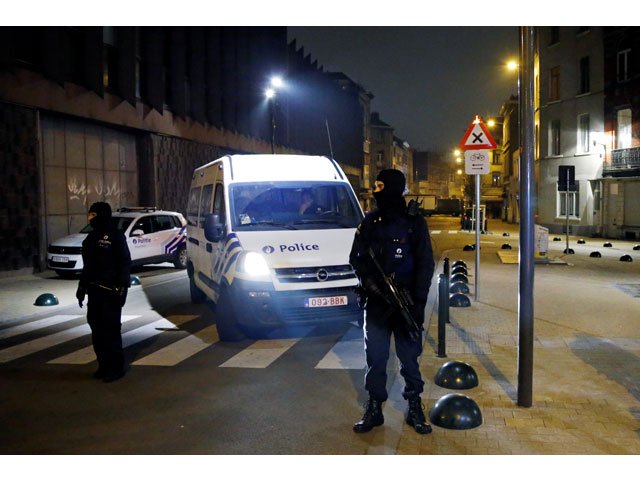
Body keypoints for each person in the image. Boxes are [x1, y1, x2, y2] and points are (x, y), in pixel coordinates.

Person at [349, 169, 435, 434]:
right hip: (376, 304)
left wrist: (418, 303)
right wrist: (372, 285)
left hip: (406, 302)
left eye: (380, 186)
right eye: (375, 186)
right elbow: (357, 259)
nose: (376, 191)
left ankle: (414, 406)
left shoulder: (414, 222)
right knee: (375, 357)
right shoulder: (370, 222)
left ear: (393, 188)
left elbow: (425, 264)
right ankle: (374, 407)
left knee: (410, 358)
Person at [76, 202, 131, 383]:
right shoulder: (90, 239)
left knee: (111, 331)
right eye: (89, 215)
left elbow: (125, 262)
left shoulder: (115, 237)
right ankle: (103, 365)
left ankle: (116, 368)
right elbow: (87, 267)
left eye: (94, 215)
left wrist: (122, 288)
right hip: (94, 292)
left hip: (111, 292)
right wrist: (81, 288)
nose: (90, 218)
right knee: (97, 330)